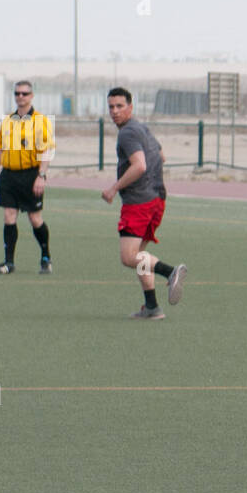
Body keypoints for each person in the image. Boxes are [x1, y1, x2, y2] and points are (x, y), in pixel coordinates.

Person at [101, 88, 187, 320]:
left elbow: (139, 165)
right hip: (157, 198)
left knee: (129, 257)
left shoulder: (127, 133)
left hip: (139, 203)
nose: (115, 111)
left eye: (120, 106)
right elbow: (161, 156)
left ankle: (170, 273)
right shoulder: (141, 127)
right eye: (111, 107)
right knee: (140, 256)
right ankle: (152, 307)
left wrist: (114, 188)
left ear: (130, 107)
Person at [0, 80, 54, 274]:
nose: (20, 97)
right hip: (8, 175)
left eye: (24, 93)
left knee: (35, 219)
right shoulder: (8, 120)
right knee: (9, 216)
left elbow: (46, 150)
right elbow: (0, 148)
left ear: (31, 96)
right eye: (17, 93)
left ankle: (45, 257)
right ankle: (9, 263)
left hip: (30, 174)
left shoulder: (40, 121)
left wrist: (41, 175)